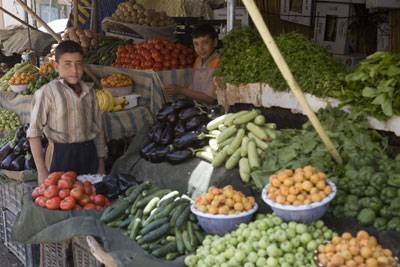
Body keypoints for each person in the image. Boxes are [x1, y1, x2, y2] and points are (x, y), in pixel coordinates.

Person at [27, 40, 106, 184]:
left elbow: (99, 130)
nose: (74, 70)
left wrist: (101, 163)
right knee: (61, 201)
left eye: (78, 64)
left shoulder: (90, 92)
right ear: (56, 66)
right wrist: (42, 171)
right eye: (67, 64)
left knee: (89, 200)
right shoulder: (47, 93)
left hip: (89, 154)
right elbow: (34, 133)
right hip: (60, 155)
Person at [164, 24, 220, 105]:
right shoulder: (198, 60)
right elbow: (193, 85)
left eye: (205, 43)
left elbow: (210, 98)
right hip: (198, 106)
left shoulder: (218, 63)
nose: (200, 48)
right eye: (196, 44)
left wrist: (181, 90)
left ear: (215, 42)